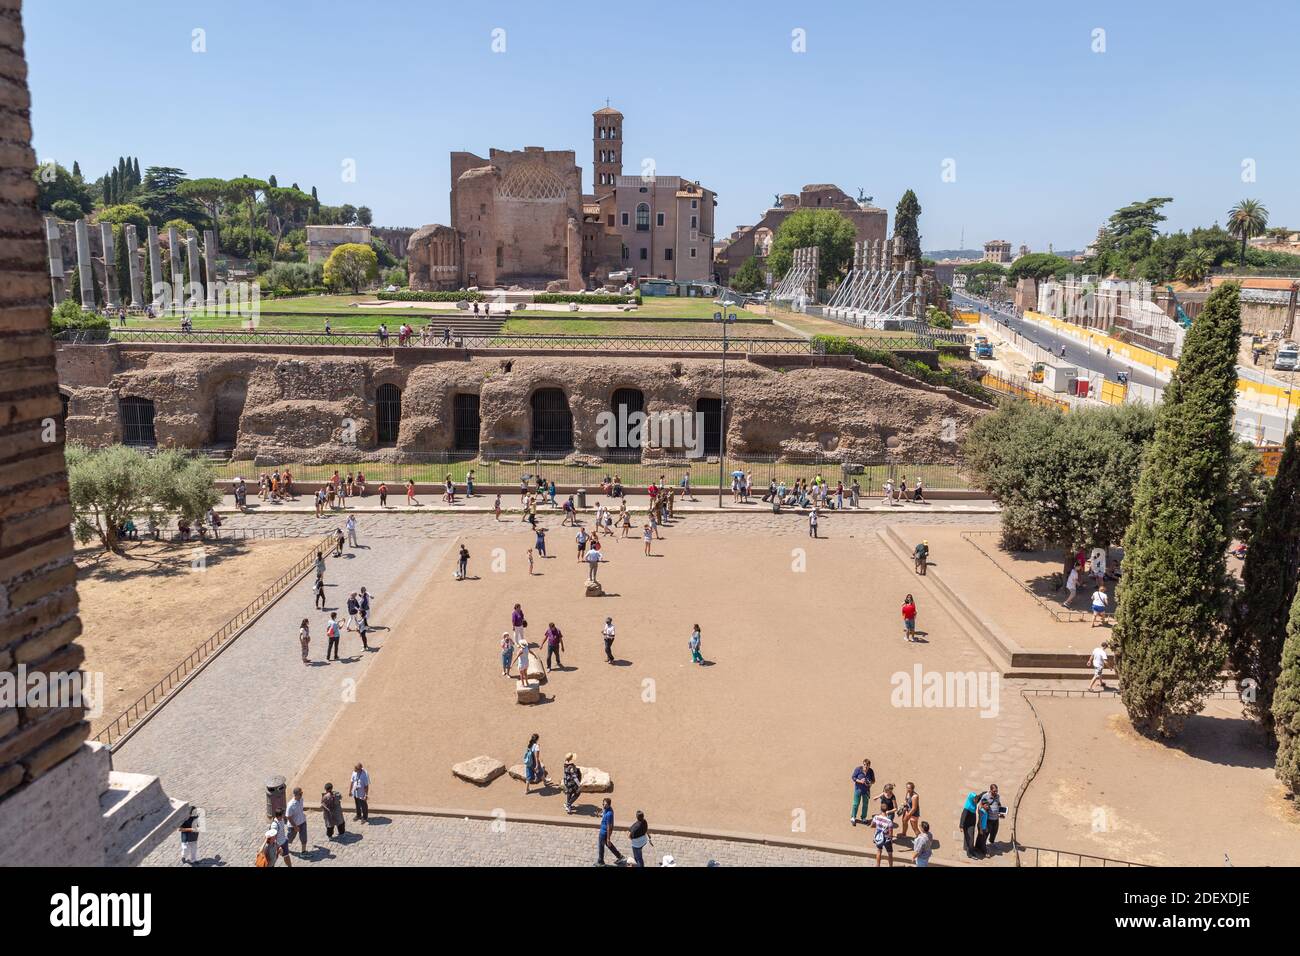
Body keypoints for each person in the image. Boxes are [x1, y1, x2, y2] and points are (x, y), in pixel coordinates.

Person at [596, 798, 624, 866]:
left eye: (604, 804)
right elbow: (603, 813)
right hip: (603, 831)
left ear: (608, 805)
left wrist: (608, 838)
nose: (603, 805)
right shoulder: (606, 809)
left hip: (604, 833)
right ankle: (619, 856)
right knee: (609, 845)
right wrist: (600, 815)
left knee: (601, 847)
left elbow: (609, 827)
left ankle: (600, 861)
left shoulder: (609, 814)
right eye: (603, 803)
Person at [851, 758, 875, 825]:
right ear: (863, 764)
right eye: (864, 765)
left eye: (867, 765)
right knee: (855, 804)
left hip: (866, 791)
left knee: (865, 805)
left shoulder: (871, 771)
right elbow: (853, 777)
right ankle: (853, 817)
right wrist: (860, 781)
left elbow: (873, 781)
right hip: (858, 790)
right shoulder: (858, 769)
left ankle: (863, 818)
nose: (866, 766)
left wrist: (870, 783)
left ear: (869, 765)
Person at [980, 783, 1003, 851]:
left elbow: (998, 803)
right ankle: (983, 847)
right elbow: (981, 805)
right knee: (986, 833)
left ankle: (991, 842)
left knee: (994, 832)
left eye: (997, 791)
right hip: (989, 819)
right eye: (994, 791)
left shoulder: (997, 796)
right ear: (990, 790)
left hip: (996, 818)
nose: (996, 792)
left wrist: (1000, 812)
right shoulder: (985, 796)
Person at [286, 787, 308, 853]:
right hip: (293, 825)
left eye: (302, 793)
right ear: (295, 794)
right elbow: (288, 817)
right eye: (300, 794)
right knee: (290, 839)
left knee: (304, 838)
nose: (302, 795)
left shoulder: (301, 799)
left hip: (302, 822)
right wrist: (295, 827)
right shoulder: (290, 805)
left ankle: (303, 852)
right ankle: (283, 847)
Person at [960, 790, 980, 858]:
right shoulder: (968, 807)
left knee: (968, 837)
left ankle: (966, 848)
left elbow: (979, 796)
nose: (976, 800)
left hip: (972, 824)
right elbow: (963, 816)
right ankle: (970, 853)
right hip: (967, 825)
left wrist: (986, 792)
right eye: (975, 799)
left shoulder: (974, 803)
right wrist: (961, 826)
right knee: (970, 839)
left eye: (976, 799)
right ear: (971, 799)